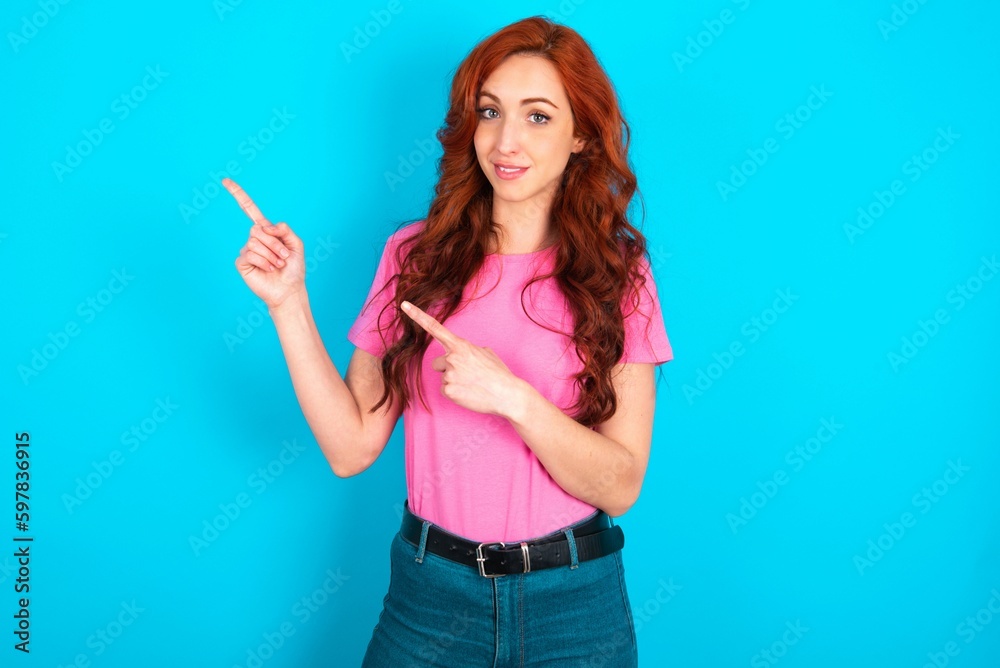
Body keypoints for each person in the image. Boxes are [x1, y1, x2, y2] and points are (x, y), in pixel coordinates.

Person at [223, 15, 672, 667]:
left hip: (574, 609)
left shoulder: (619, 273)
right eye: (490, 112)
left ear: (580, 136)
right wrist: (288, 303)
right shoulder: (415, 257)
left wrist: (514, 398)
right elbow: (350, 448)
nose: (506, 140)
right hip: (430, 599)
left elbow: (621, 484)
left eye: (539, 116)